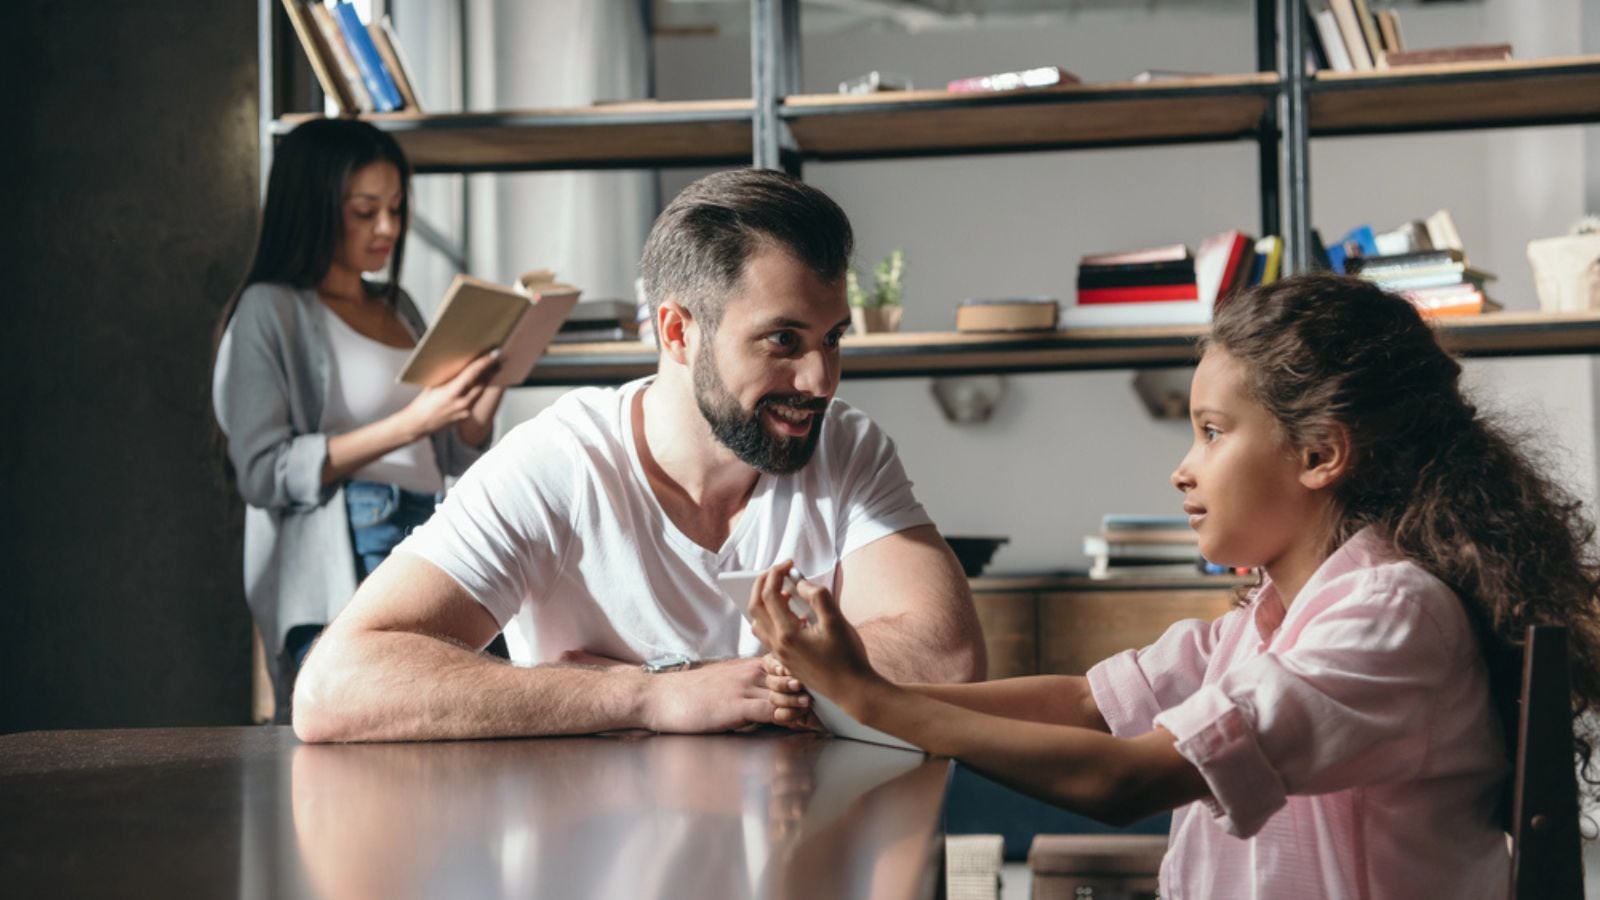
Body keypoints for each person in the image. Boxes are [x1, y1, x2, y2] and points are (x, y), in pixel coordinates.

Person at [749, 272, 1600, 899]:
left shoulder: (1389, 616)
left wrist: (876, 705)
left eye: (1212, 432)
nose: (1182, 472)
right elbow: (1090, 702)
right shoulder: (1272, 620)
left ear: (1319, 454)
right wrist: (865, 688)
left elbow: (1130, 779)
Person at [291, 168, 986, 743]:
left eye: (833, 339)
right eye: (783, 341)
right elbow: (335, 688)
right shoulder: (556, 464)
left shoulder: (846, 446)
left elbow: (950, 660)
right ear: (677, 331)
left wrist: (696, 683)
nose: (820, 380)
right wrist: (650, 697)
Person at [212, 119, 505, 722]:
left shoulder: (400, 307)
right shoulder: (269, 311)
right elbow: (262, 471)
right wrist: (411, 422)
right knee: (368, 733)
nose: (388, 228)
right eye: (365, 209)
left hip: (433, 525)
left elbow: (450, 456)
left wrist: (483, 396)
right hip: (350, 536)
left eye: (396, 208)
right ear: (315, 207)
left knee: (475, 716)